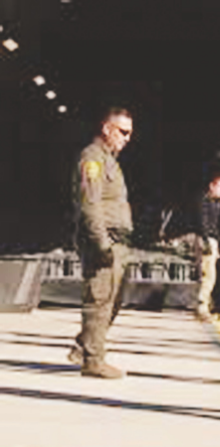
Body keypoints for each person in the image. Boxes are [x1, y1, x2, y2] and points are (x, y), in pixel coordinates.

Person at [67, 107, 135, 379]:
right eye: (123, 131)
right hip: (104, 240)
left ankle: (83, 345)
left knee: (114, 299)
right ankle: (93, 360)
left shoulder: (110, 160)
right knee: (100, 300)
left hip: (118, 241)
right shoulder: (92, 158)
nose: (127, 138)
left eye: (130, 133)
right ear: (107, 129)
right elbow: (90, 204)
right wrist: (102, 244)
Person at [194, 171, 220, 322]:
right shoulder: (204, 200)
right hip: (207, 240)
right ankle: (202, 306)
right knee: (208, 275)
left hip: (212, 240)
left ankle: (206, 304)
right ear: (211, 186)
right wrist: (206, 240)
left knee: (209, 274)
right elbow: (203, 223)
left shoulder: (216, 203)